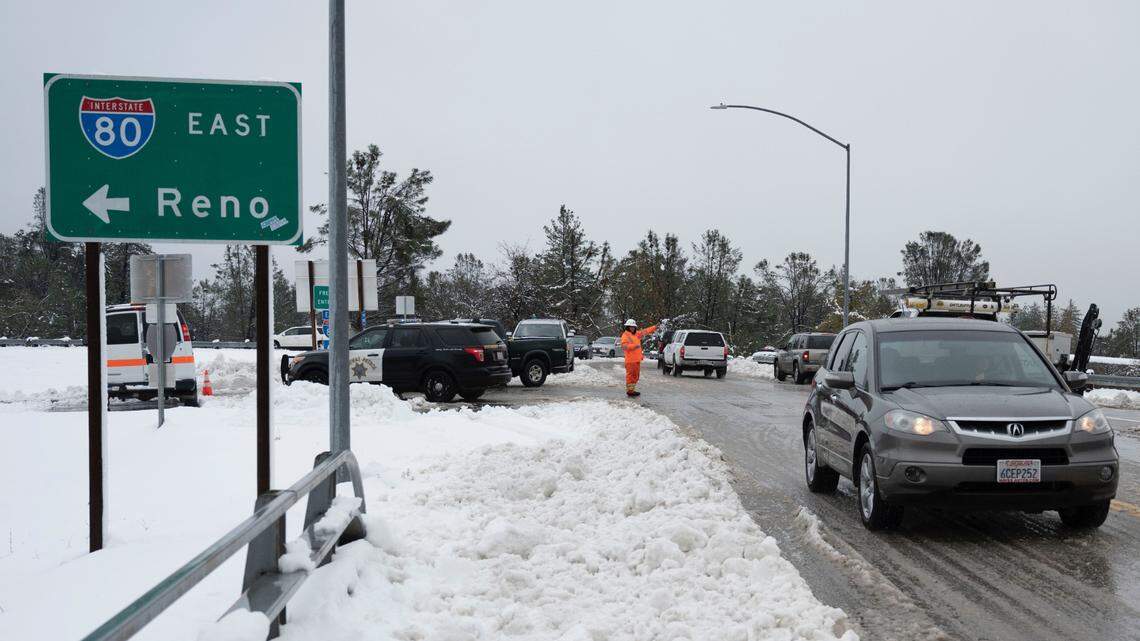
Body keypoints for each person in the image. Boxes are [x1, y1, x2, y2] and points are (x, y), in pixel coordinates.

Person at [619, 318, 658, 397]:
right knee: (631, 375)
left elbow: (645, 331)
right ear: (628, 327)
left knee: (636, 376)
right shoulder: (625, 335)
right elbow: (624, 346)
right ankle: (630, 391)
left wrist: (654, 327)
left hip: (636, 360)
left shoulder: (636, 334)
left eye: (633, 327)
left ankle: (632, 389)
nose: (632, 328)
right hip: (630, 360)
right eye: (631, 327)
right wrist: (634, 346)